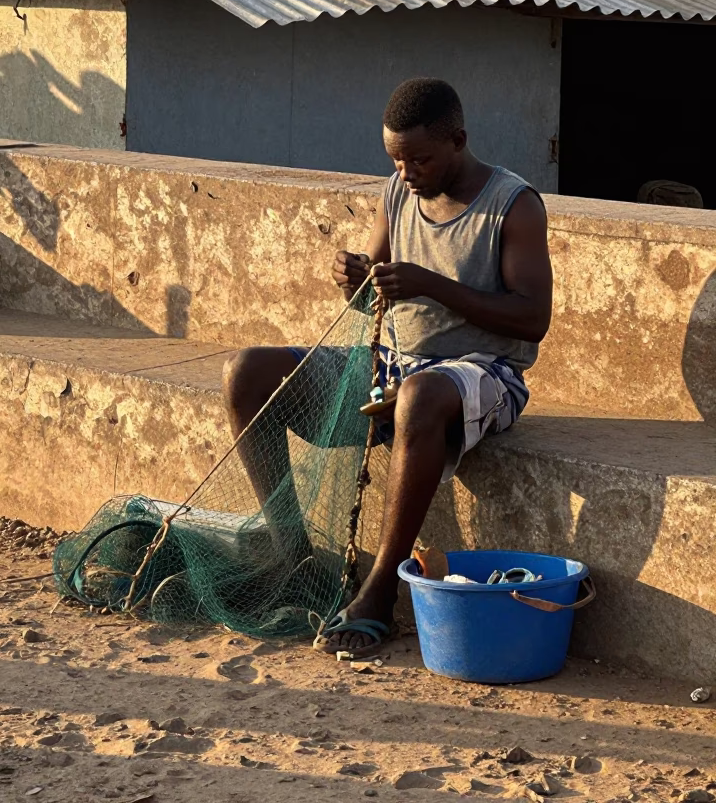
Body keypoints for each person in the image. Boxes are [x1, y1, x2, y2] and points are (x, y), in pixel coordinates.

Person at [222, 77, 552, 659]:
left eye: (419, 159)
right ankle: (294, 559)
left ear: (458, 141)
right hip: (393, 361)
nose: (406, 173)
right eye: (396, 160)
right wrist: (354, 278)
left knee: (419, 396)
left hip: (483, 372)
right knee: (246, 371)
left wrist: (432, 285)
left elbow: (532, 319)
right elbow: (371, 298)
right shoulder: (398, 192)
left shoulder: (513, 204)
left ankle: (379, 591)